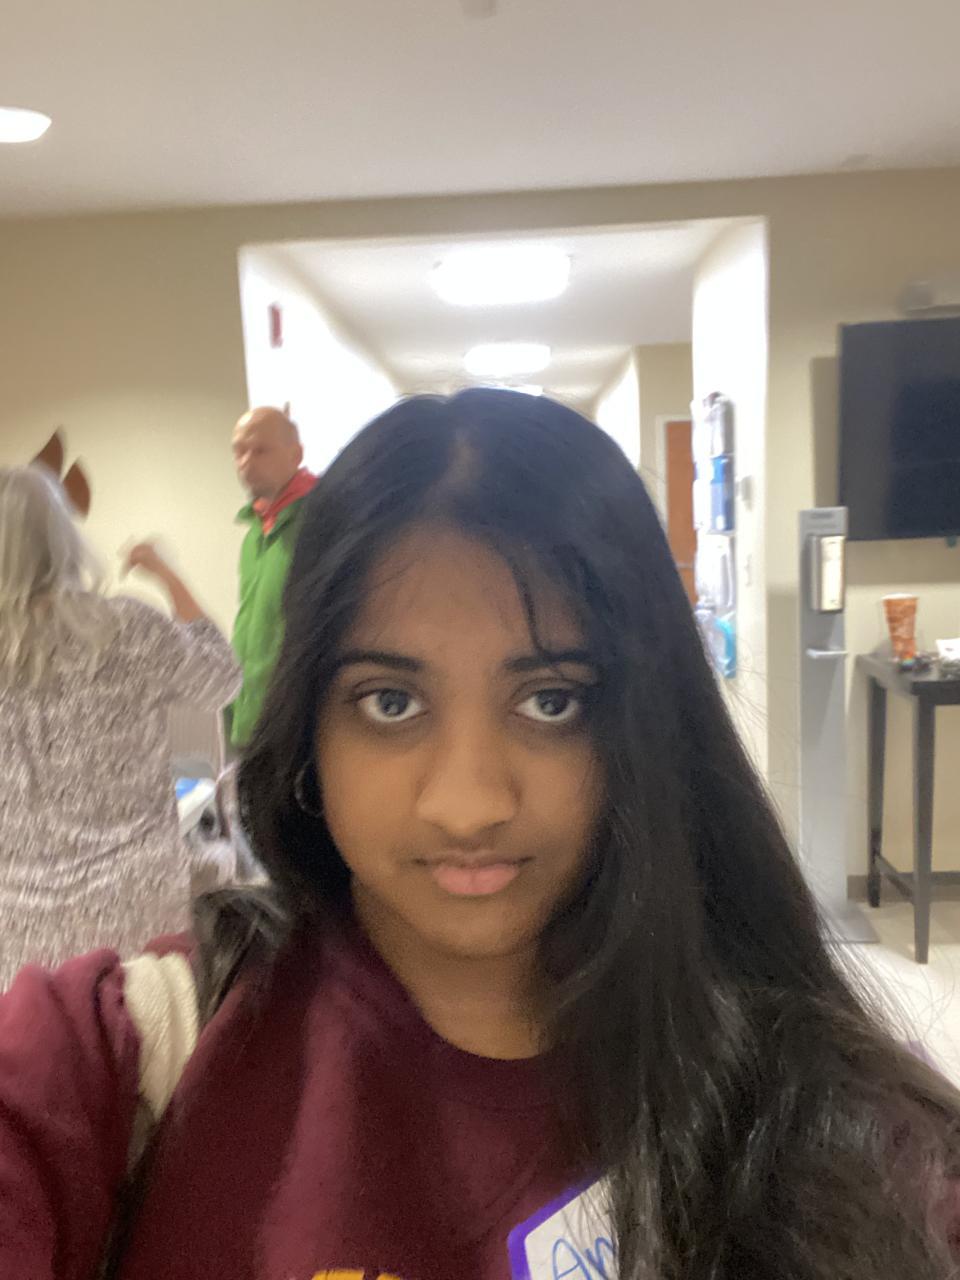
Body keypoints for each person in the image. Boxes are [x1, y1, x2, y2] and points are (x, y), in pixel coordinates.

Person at [1, 390, 960, 1280]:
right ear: (309, 732)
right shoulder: (132, 1053)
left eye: (551, 701)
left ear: (646, 727)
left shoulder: (837, 1119)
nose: (468, 806)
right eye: (390, 701)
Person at [0, 465, 240, 989]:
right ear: (64, 538)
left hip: (16, 945)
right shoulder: (127, 628)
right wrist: (167, 574)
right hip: (140, 925)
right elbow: (220, 677)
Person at [229, 405, 316, 750]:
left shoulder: (321, 521)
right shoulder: (254, 531)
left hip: (298, 732)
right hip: (251, 726)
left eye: (260, 450)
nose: (246, 462)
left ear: (296, 455)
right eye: (239, 451)